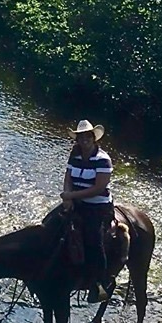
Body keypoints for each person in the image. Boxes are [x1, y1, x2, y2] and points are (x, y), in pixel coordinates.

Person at [61, 119, 114, 304]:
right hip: (76, 201)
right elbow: (68, 177)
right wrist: (67, 196)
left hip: (98, 206)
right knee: (52, 225)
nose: (84, 140)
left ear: (93, 138)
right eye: (81, 137)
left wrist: (72, 195)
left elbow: (98, 188)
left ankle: (100, 282)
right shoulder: (74, 156)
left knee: (93, 238)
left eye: (87, 137)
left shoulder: (103, 159)